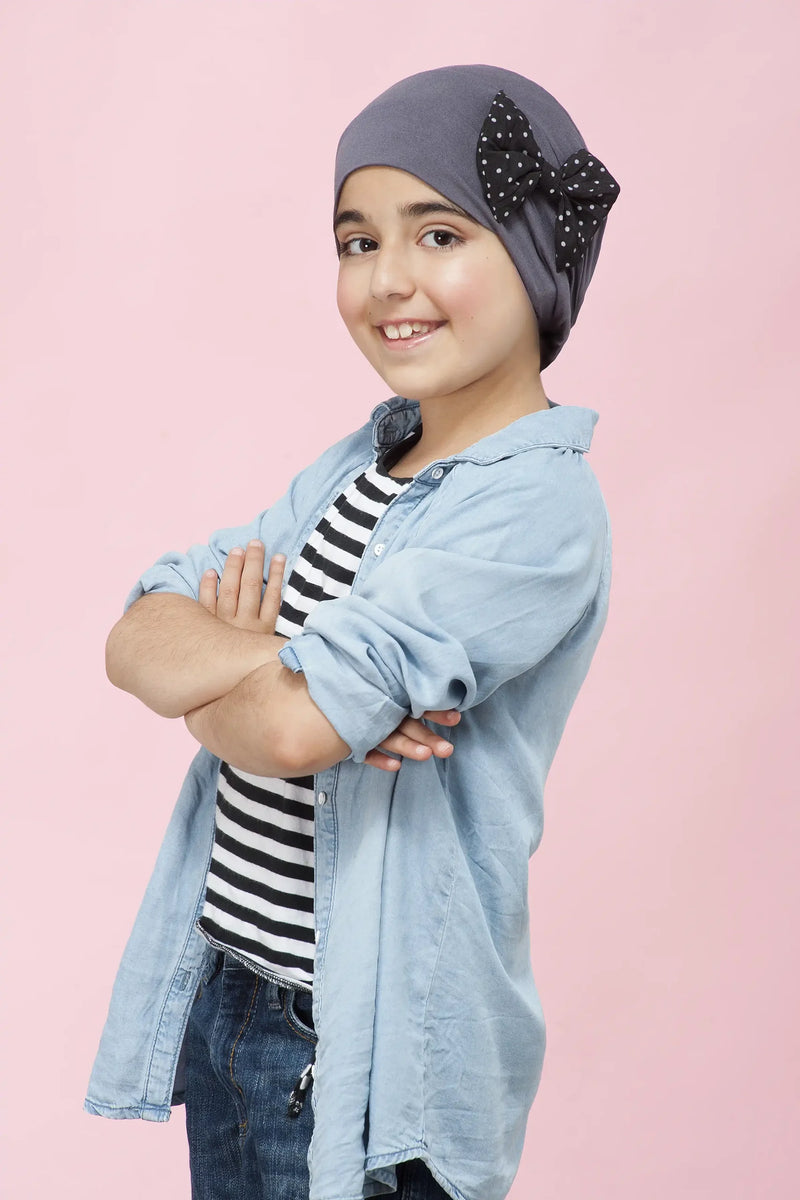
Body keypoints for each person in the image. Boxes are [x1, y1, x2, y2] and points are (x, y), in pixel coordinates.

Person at [85, 63, 621, 1200]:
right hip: (232, 995)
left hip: (355, 1054)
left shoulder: (536, 506)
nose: (387, 280)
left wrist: (251, 690)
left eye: (438, 234)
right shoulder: (357, 467)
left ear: (537, 254)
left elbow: (286, 735)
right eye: (356, 241)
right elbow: (136, 633)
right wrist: (288, 675)